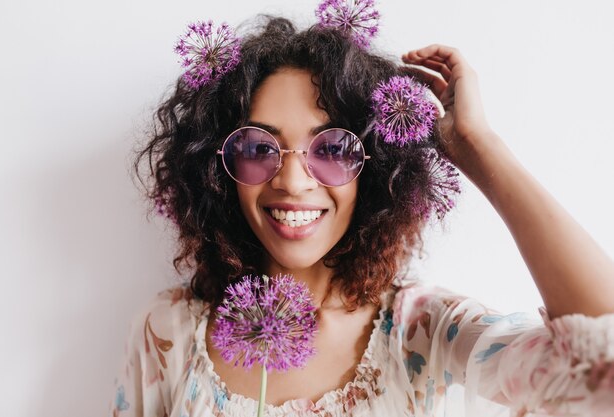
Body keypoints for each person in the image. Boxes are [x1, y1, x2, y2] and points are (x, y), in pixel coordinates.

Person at [109, 12, 614, 417]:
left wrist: (477, 148)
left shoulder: (427, 333)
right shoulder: (168, 333)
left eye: (332, 149)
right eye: (257, 147)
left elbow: (604, 365)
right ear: (218, 170)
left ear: (374, 171)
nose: (291, 180)